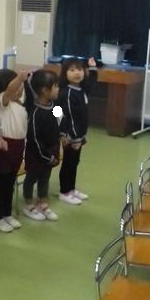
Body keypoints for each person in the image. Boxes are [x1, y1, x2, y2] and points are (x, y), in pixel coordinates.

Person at [0, 68, 29, 233]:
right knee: (1, 183)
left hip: (18, 146)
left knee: (10, 182)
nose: (20, 88)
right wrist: (20, 78)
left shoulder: (20, 103)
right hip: (4, 147)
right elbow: (10, 90)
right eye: (16, 84)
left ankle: (7, 213)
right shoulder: (2, 100)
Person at [22, 69, 60, 221]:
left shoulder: (54, 105)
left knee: (45, 177)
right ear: (44, 90)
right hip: (37, 153)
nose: (58, 89)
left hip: (51, 150)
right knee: (31, 178)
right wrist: (47, 156)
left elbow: (59, 120)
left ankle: (43, 202)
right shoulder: (36, 113)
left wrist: (63, 135)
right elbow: (35, 139)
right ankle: (28, 203)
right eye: (55, 86)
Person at [56, 58, 90, 205]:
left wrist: (93, 69)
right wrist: (69, 136)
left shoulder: (81, 90)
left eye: (80, 69)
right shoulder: (67, 93)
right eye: (72, 70)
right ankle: (64, 191)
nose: (77, 73)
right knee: (68, 163)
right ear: (65, 73)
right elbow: (61, 114)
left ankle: (71, 189)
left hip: (78, 134)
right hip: (70, 135)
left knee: (74, 162)